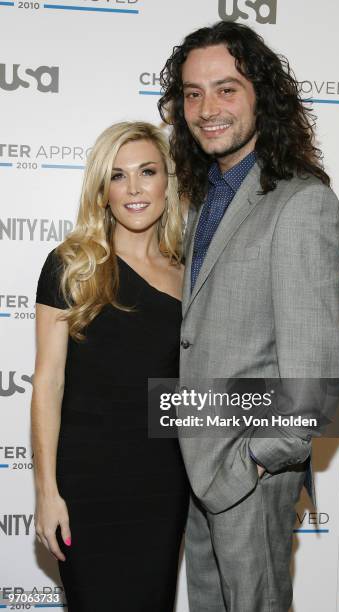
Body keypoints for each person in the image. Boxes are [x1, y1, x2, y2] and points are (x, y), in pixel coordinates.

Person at [158, 21, 339, 612]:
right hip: (198, 468)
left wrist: (252, 465)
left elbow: (316, 379)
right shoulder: (203, 196)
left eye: (226, 89)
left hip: (247, 476)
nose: (206, 108)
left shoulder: (299, 203)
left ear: (261, 96)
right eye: (193, 93)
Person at [31, 121, 189, 612]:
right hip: (87, 485)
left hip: (162, 482)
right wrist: (46, 492)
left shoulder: (189, 273)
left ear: (168, 182)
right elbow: (48, 384)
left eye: (147, 171)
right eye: (118, 176)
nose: (135, 188)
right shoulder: (73, 265)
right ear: (102, 192)